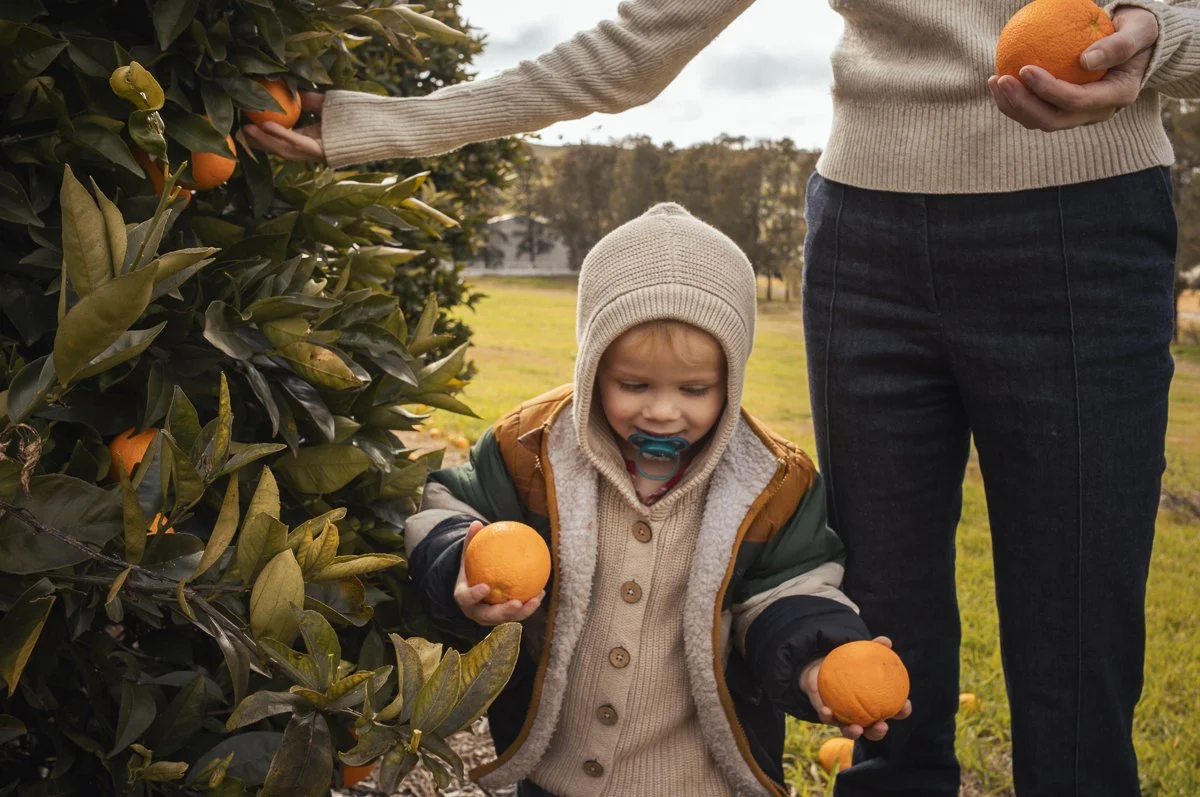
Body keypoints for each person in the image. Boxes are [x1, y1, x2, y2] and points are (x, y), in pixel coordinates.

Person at [247, 2, 1198, 794]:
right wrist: (374, 125)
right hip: (867, 236)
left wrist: (1164, 33)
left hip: (1087, 220)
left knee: (1078, 642)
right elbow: (631, 48)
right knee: (878, 637)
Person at [402, 202, 909, 797]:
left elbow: (788, 590)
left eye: (695, 389)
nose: (663, 411)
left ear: (732, 377)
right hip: (556, 769)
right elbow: (449, 507)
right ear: (593, 367)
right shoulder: (533, 449)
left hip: (702, 778)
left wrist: (820, 662)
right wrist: (460, 563)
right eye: (633, 385)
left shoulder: (769, 482)